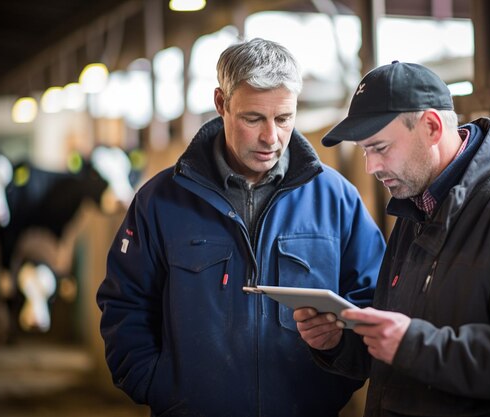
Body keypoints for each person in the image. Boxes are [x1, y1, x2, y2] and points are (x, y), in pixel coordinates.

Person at [96, 38, 386, 417]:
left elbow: (372, 300)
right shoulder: (161, 202)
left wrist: (338, 358)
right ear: (222, 103)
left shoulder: (337, 200)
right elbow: (125, 303)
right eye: (254, 119)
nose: (271, 137)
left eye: (284, 119)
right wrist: (158, 386)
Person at [294, 61, 490, 417]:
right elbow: (397, 344)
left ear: (432, 127)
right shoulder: (416, 206)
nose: (371, 167)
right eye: (364, 151)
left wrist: (413, 345)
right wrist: (340, 342)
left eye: (381, 148)